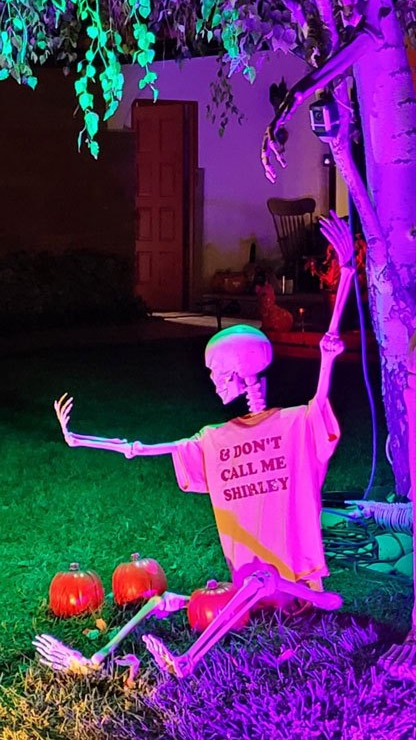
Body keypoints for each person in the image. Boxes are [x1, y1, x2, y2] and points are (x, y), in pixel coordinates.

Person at [34, 216, 354, 678]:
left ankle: (185, 662)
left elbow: (327, 361)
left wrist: (347, 275)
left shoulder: (295, 426)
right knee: (162, 598)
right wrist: (78, 438)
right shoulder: (215, 440)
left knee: (262, 579)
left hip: (293, 590)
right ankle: (95, 659)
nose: (212, 381)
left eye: (217, 372)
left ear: (239, 373)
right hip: (246, 587)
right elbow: (142, 448)